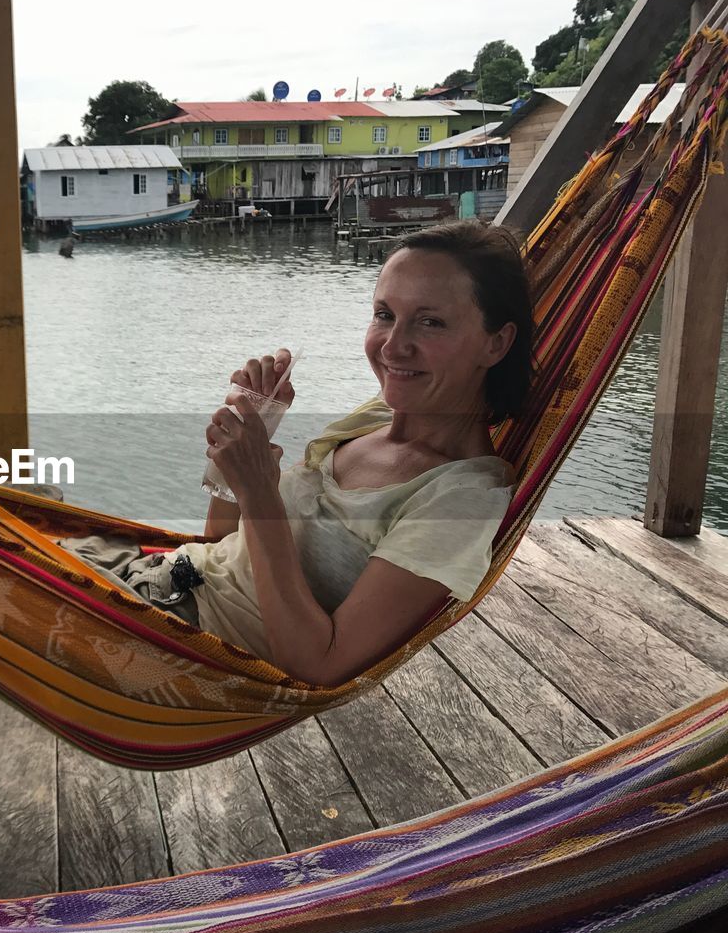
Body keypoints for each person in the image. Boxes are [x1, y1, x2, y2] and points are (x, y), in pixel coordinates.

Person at [60, 221, 533, 687]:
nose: (393, 346)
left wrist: (261, 493)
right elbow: (219, 544)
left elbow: (321, 664)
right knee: (2, 512)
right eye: (384, 314)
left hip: (172, 648)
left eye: (430, 322)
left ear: (497, 343)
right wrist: (251, 434)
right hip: (150, 578)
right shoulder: (373, 418)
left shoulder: (459, 500)